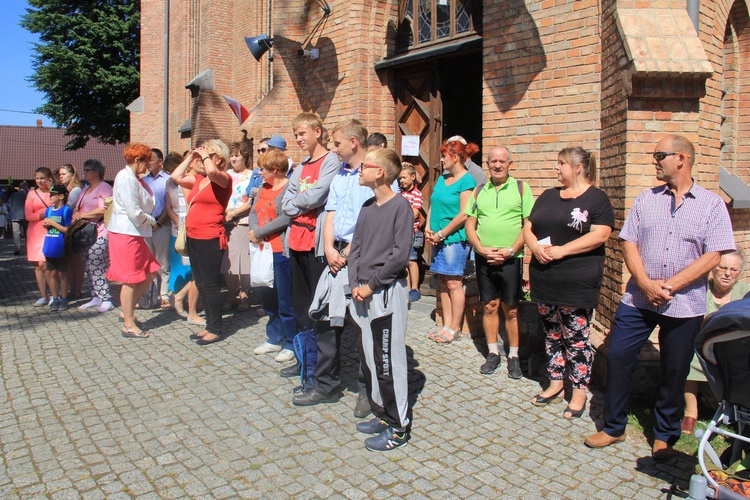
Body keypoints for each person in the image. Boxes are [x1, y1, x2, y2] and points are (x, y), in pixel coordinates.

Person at [585, 135, 736, 458]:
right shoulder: (645, 199)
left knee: (674, 368)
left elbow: (714, 254)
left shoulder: (712, 205)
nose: (654, 160)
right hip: (639, 299)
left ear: (681, 159)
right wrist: (646, 282)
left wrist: (672, 285)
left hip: (684, 304)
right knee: (621, 356)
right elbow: (629, 243)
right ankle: (613, 426)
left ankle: (665, 434)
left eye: (660, 155)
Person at [523, 147, 614, 417]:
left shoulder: (596, 199)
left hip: (576, 282)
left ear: (577, 167)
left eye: (561, 163)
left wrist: (563, 250)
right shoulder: (549, 195)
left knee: (575, 338)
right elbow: (528, 226)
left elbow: (600, 235)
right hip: (545, 277)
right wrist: (534, 248)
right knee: (551, 333)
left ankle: (578, 391)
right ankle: (554, 383)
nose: (557, 168)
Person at [292, 119, 374, 413]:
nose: (333, 148)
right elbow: (330, 213)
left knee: (363, 326)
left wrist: (350, 251)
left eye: (337, 143)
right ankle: (325, 384)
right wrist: (328, 248)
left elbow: (373, 219)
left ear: (354, 142)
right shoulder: (340, 176)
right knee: (326, 320)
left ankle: (367, 390)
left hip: (361, 257)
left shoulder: (374, 174)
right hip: (334, 255)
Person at [347, 147, 414, 451]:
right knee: (372, 360)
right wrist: (354, 285)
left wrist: (371, 285)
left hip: (385, 292)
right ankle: (382, 414)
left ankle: (399, 427)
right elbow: (355, 248)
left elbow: (399, 256)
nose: (360, 169)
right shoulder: (366, 206)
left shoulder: (401, 208)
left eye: (365, 165)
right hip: (362, 291)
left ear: (381, 173)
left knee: (389, 360)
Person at [466, 146, 535, 379]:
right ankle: (493, 352)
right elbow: (469, 226)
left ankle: (514, 356)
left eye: (502, 161)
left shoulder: (521, 189)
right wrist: (480, 249)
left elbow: (528, 225)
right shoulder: (478, 191)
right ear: (487, 164)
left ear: (510, 164)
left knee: (512, 309)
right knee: (489, 306)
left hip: (510, 259)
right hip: (484, 258)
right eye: (493, 161)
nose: (497, 165)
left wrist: (511, 250)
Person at [279, 112, 340, 375]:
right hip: (295, 242)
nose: (298, 139)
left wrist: (298, 202)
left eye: (302, 133)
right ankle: (306, 357)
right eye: (295, 135)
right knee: (301, 305)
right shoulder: (301, 166)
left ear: (317, 132)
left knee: (319, 307)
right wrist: (300, 202)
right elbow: (285, 201)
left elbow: (319, 194)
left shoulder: (331, 161)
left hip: (317, 244)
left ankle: (321, 365)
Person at [171, 140, 233, 345]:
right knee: (202, 284)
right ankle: (209, 325)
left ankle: (216, 328)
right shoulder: (199, 179)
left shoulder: (224, 179)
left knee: (211, 285)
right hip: (194, 237)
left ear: (218, 159)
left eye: (209, 153)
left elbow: (214, 173)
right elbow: (176, 176)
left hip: (210, 238)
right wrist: (191, 156)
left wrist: (205, 157)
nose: (203, 156)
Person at [681, 250, 748, 434]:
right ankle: (690, 412)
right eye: (723, 267)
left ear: (739, 272)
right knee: (687, 356)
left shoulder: (744, 293)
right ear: (714, 269)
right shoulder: (701, 289)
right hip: (702, 344)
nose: (727, 273)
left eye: (733, 269)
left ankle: (734, 411)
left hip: (732, 349)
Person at [425, 138, 478, 343]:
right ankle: (445, 325)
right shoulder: (442, 179)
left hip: (454, 239)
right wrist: (429, 227)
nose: (441, 160)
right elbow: (433, 204)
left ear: (455, 157)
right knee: (443, 282)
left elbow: (464, 214)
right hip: (437, 238)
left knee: (455, 283)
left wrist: (442, 233)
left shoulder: (467, 181)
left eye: (444, 156)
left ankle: (455, 327)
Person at [106, 143, 162, 339]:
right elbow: (133, 211)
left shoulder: (134, 178)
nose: (148, 167)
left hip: (135, 233)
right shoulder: (126, 178)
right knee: (130, 280)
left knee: (150, 271)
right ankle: (128, 324)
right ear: (137, 161)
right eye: (146, 162)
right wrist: (152, 220)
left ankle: (127, 311)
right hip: (126, 233)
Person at [247, 149, 295, 362]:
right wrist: (255, 231)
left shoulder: (288, 188)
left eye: (264, 169)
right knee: (268, 296)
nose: (260, 172)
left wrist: (258, 232)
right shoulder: (263, 188)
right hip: (262, 250)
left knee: (285, 299)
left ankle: (290, 342)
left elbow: (286, 218)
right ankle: (273, 338)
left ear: (275, 170)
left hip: (280, 250)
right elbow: (253, 212)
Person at [74, 159, 114, 312]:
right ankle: (95, 296)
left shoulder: (104, 188)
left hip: (100, 230)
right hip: (85, 232)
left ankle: (106, 298)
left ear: (96, 172)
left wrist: (83, 215)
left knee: (97, 263)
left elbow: (104, 209)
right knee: (87, 264)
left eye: (88, 169)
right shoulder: (85, 189)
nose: (84, 172)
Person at [163, 152, 196, 320]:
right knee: (179, 266)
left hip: (189, 223)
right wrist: (177, 221)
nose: (170, 174)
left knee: (192, 268)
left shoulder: (190, 179)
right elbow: (168, 207)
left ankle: (193, 302)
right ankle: (180, 297)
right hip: (177, 227)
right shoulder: (170, 182)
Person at [221, 142, 254, 312]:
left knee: (242, 261)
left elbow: (252, 200)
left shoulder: (251, 175)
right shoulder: (225, 175)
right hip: (225, 222)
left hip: (242, 221)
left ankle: (245, 294)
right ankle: (230, 294)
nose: (233, 158)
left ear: (245, 157)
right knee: (228, 263)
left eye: (237, 155)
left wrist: (235, 213)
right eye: (232, 155)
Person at [142, 148, 172, 309]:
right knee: (148, 262)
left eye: (151, 160)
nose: (148, 163)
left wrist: (159, 222)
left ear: (160, 161)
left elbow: (170, 205)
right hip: (146, 226)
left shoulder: (168, 180)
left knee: (162, 261)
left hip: (162, 225)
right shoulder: (144, 181)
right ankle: (150, 294)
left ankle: (164, 294)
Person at [42, 184, 73, 311]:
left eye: (53, 195)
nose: (50, 197)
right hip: (50, 245)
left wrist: (52, 223)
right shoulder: (48, 210)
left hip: (61, 247)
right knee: (52, 273)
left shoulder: (66, 210)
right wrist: (46, 224)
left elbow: (68, 230)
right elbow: (46, 224)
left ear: (61, 196)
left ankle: (64, 297)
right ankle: (55, 297)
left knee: (62, 273)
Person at [25, 167, 54, 306]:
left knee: (45, 263)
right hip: (35, 231)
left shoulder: (54, 192)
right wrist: (44, 215)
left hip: (50, 229)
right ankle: (43, 295)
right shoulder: (31, 194)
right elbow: (28, 215)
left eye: (42, 178)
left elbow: (59, 207)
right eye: (37, 178)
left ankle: (54, 293)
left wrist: (52, 189)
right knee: (37, 264)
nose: (39, 181)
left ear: (49, 178)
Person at [58, 164, 85, 300]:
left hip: (73, 228)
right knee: (70, 260)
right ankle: (73, 289)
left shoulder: (75, 190)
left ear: (72, 175)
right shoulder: (68, 190)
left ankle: (76, 290)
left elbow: (67, 208)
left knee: (75, 260)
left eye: (63, 174)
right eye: (60, 174)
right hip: (68, 227)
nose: (60, 176)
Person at [399, 162, 424, 302]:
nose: (402, 181)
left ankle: (415, 288)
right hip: (401, 232)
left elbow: (415, 212)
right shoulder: (400, 193)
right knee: (404, 262)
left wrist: (400, 217)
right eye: (400, 178)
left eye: (404, 178)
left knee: (412, 261)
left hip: (411, 232)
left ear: (413, 177)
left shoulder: (416, 193)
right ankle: (406, 288)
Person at [9, 181, 29, 256]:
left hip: (14, 215)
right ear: (26, 187)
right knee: (27, 233)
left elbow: (9, 204)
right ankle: (28, 248)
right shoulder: (27, 194)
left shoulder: (13, 195)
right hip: (25, 216)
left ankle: (17, 249)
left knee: (16, 233)